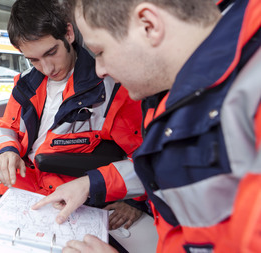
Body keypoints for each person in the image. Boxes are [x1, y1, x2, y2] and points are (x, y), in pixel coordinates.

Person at [32, 0, 261, 252]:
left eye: (100, 52)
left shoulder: (249, 93)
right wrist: (90, 184)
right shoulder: (165, 91)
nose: (99, 71)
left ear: (149, 25)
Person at [0, 0, 145, 252]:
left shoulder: (108, 91)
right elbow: (6, 125)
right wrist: (7, 151)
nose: (47, 68)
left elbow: (145, 159)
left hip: (58, 181)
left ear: (68, 33)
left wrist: (136, 203)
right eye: (33, 59)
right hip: (25, 164)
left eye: (51, 53)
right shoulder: (27, 82)